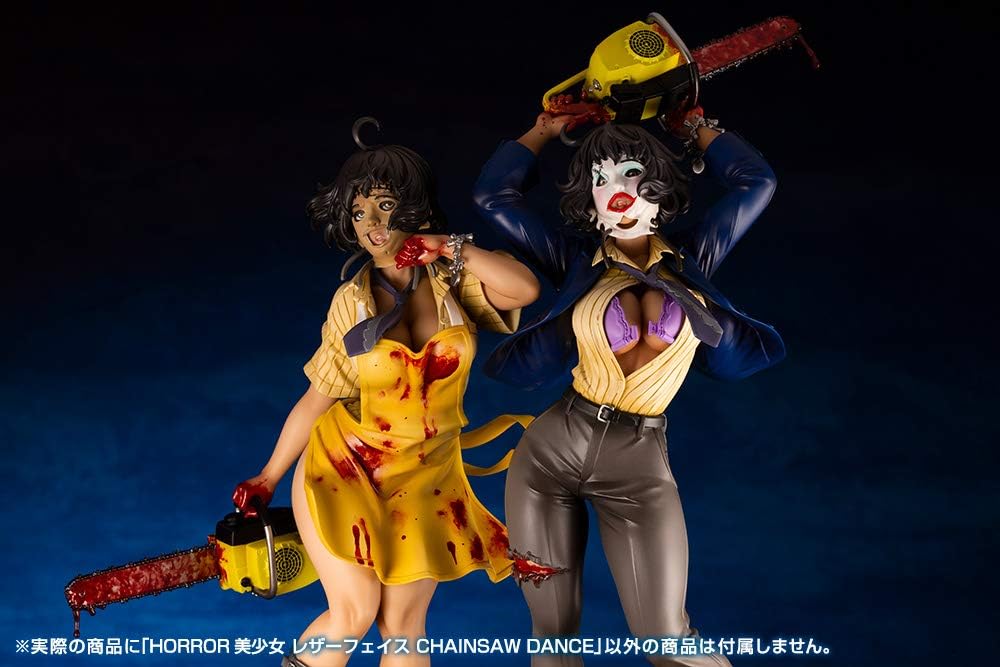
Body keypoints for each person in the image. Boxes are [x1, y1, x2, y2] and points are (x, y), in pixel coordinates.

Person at [472, 109, 784, 666]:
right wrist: (545, 129)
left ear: (660, 186)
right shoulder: (577, 263)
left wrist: (693, 126)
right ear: (589, 203)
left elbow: (756, 182)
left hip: (639, 464)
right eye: (600, 179)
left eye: (631, 172)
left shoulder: (695, 256)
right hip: (550, 454)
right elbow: (494, 197)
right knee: (553, 638)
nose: (615, 188)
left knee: (668, 640)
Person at [233, 120, 540, 667]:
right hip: (346, 464)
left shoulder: (450, 280)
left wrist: (448, 247)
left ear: (414, 207)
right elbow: (318, 396)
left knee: (403, 629)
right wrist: (268, 476)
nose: (372, 224)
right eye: (358, 212)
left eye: (385, 205)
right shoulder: (350, 302)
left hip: (426, 474)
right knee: (353, 613)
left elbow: (524, 289)